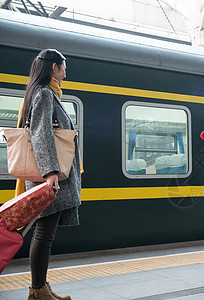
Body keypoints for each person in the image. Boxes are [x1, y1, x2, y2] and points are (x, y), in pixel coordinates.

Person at [17, 49, 82, 300]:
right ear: (54, 67)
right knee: (44, 234)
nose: (66, 73)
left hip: (49, 175)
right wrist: (50, 172)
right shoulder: (45, 94)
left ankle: (42, 287)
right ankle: (37, 291)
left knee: (45, 234)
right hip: (50, 176)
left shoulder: (44, 93)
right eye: (64, 67)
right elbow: (41, 134)